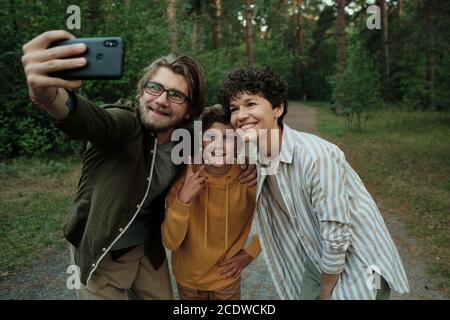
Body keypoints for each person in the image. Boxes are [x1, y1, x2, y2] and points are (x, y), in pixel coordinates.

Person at [20, 30, 256, 300]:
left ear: (189, 111)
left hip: (147, 247)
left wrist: (249, 158)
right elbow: (89, 120)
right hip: (104, 247)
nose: (161, 99)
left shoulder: (188, 135)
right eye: (154, 87)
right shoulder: (124, 124)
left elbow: (227, 125)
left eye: (175, 94)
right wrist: (49, 96)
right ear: (142, 90)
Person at [218, 66, 410, 300]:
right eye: (234, 108)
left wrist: (327, 289)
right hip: (317, 254)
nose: (240, 115)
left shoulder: (316, 156)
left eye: (251, 104)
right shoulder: (259, 154)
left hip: (360, 258)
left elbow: (336, 231)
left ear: (277, 108)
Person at [162, 105, 260, 300]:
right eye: (211, 137)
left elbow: (277, 219)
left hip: (226, 278)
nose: (219, 146)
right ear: (200, 141)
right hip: (189, 280)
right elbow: (171, 242)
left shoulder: (249, 178)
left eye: (228, 138)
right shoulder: (185, 180)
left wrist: (250, 253)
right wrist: (184, 199)